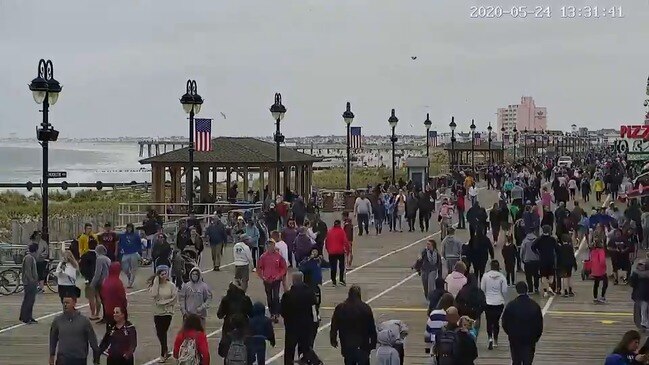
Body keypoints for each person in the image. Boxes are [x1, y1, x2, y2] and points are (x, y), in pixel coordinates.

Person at [330, 285, 377, 365]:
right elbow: (371, 327)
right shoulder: (365, 308)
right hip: (363, 345)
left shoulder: (341, 308)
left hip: (347, 344)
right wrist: (373, 343)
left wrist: (333, 339)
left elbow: (334, 325)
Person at [49, 296, 100, 365]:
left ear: (74, 303)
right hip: (63, 358)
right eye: (63, 303)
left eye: (67, 303)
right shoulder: (57, 320)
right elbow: (53, 339)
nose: (65, 305)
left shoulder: (84, 321)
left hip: (79, 358)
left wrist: (96, 357)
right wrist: (52, 355)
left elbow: (92, 339)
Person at [502, 281, 543, 365]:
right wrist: (536, 337)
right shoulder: (534, 305)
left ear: (517, 290)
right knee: (528, 361)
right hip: (529, 338)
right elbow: (539, 325)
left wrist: (510, 333)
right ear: (527, 290)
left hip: (515, 337)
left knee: (516, 360)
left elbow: (504, 322)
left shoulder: (511, 305)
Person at [282, 272, 318, 364]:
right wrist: (314, 324)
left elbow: (282, 311)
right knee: (306, 348)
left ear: (293, 281)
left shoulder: (287, 295)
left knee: (289, 350)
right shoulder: (310, 293)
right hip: (306, 326)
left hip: (291, 327)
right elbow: (314, 310)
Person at [149, 265, 178, 363]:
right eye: (162, 274)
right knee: (160, 332)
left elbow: (174, 298)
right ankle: (165, 350)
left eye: (165, 273)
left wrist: (165, 302)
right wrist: (156, 281)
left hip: (167, 312)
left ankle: (163, 353)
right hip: (158, 312)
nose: (164, 276)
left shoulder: (171, 285)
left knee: (162, 332)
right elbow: (153, 295)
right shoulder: (155, 285)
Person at [217, 282, 253, 359]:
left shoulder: (226, 299)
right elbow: (251, 314)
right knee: (244, 350)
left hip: (228, 327)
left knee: (227, 350)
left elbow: (219, 315)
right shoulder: (245, 299)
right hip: (243, 326)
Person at [257, 238, 288, 322]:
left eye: (271, 244)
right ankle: (272, 313)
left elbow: (284, 268)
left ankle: (276, 314)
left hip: (276, 280)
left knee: (276, 297)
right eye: (268, 245)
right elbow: (259, 268)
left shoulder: (279, 256)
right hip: (267, 280)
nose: (270, 246)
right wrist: (262, 277)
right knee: (269, 297)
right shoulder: (263, 257)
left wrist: (279, 275)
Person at [480, 260, 507, 350]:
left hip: (488, 302)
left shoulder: (485, 276)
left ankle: (489, 338)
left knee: (489, 321)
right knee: (496, 322)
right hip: (499, 302)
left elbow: (482, 289)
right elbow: (504, 290)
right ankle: (495, 340)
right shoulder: (502, 277)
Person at [532, 225, 559, 297]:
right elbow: (556, 249)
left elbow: (533, 247)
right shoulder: (552, 239)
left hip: (542, 260)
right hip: (551, 259)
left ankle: (546, 291)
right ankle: (549, 288)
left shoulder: (539, 239)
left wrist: (537, 253)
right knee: (551, 276)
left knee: (543, 276)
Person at [79, 238, 102, 321]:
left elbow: (81, 268)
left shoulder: (85, 256)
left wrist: (85, 276)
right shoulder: (99, 256)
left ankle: (92, 313)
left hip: (89, 279)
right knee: (98, 296)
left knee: (91, 298)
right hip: (99, 279)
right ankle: (97, 313)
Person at [101, 262, 127, 331]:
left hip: (108, 309)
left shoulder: (106, 281)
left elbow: (103, 295)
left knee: (109, 329)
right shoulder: (118, 282)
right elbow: (122, 296)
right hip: (118, 310)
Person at [325, 219, 351, 287]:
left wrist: (328, 250)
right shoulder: (341, 231)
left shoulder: (329, 231)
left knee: (333, 267)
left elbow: (326, 242)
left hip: (331, 252)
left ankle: (333, 281)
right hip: (340, 251)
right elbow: (345, 241)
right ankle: (341, 280)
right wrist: (348, 250)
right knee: (341, 266)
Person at [90, 244, 111, 324]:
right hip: (108, 281)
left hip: (101, 282)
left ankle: (106, 317)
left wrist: (93, 283)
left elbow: (98, 273)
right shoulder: (108, 259)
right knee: (106, 300)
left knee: (103, 300)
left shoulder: (99, 259)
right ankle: (107, 316)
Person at [19, 243, 39, 324]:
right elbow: (28, 271)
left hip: (32, 282)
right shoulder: (29, 258)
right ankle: (25, 317)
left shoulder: (31, 258)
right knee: (28, 300)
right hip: (29, 282)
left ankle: (28, 316)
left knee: (31, 300)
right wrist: (32, 280)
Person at [118, 223, 141, 289]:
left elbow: (139, 244)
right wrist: (121, 249)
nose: (129, 229)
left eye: (130, 227)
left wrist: (139, 252)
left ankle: (130, 283)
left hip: (134, 252)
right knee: (125, 268)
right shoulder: (122, 235)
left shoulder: (136, 235)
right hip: (125, 253)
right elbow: (120, 243)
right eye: (128, 227)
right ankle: (129, 276)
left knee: (134, 269)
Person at [630, 258, 649, 330]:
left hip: (640, 294)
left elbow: (632, 283)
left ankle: (643, 323)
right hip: (644, 294)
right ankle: (645, 323)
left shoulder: (636, 273)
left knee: (641, 310)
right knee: (644, 309)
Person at [591, 239, 609, 303]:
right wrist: (604, 267)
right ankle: (602, 296)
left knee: (596, 284)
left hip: (594, 270)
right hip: (601, 270)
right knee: (605, 283)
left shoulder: (593, 251)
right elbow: (602, 261)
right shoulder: (601, 251)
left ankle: (595, 297)